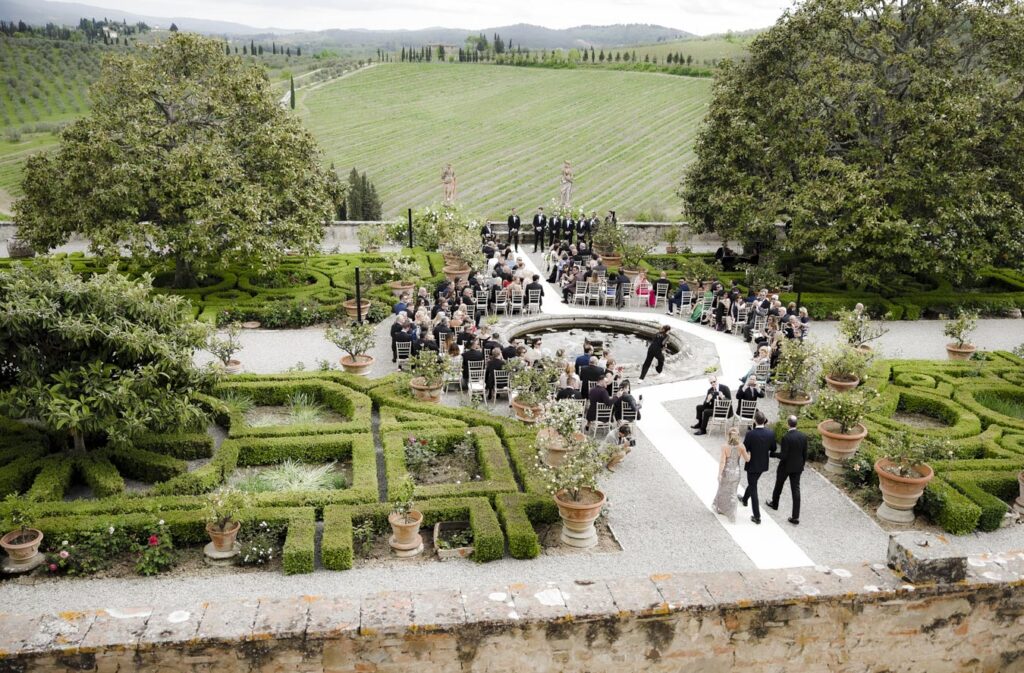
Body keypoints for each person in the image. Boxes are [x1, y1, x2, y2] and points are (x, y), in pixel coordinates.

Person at [766, 415, 808, 525]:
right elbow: (805, 454)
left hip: (785, 466)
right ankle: (795, 517)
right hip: (797, 467)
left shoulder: (786, 437)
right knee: (796, 491)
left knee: (779, 485)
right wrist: (801, 465)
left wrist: (773, 454)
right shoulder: (803, 436)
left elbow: (784, 456)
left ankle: (775, 504)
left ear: (788, 424)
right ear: (796, 424)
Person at [739, 411, 775, 525]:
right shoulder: (770, 433)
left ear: (755, 421)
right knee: (753, 483)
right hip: (763, 464)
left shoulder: (751, 434)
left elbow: (744, 448)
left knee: (753, 487)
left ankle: (757, 516)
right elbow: (773, 448)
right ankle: (744, 499)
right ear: (764, 420)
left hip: (752, 464)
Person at [713, 427, 749, 523]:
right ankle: (732, 514)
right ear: (738, 436)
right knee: (733, 492)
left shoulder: (724, 446)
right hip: (736, 472)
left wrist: (719, 474)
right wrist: (750, 453)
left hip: (727, 472)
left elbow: (722, 462)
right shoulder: (741, 446)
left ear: (728, 435)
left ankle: (721, 508)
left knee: (723, 490)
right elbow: (747, 459)